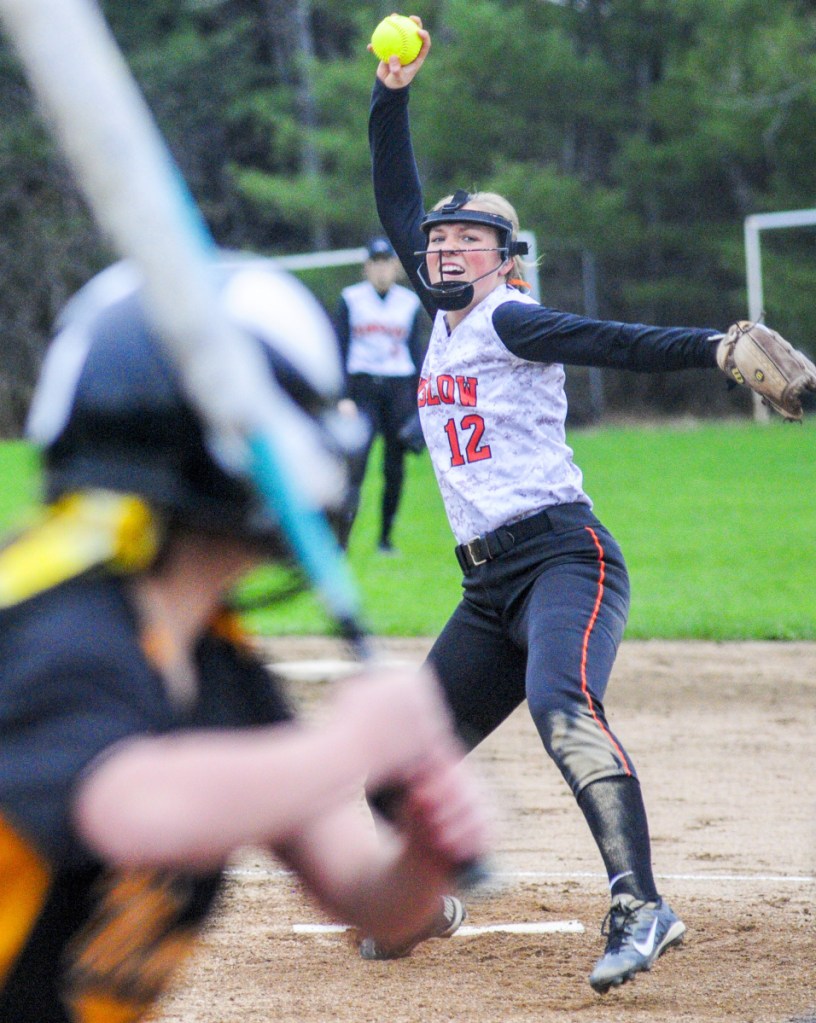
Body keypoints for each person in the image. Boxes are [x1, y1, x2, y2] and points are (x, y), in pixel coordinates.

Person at [365, 19, 816, 994]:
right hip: (485, 587)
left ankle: (642, 905)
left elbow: (612, 339)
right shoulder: (437, 315)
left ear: (505, 259)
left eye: (468, 240)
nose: (445, 248)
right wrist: (390, 97)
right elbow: (397, 198)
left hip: (567, 559)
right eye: (437, 240)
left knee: (560, 704)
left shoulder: (510, 317)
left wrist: (712, 349)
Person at [0, 255, 490, 1021]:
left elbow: (372, 898)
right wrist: (349, 743)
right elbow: (130, 803)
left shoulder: (211, 656)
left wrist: (425, 854)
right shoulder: (54, 619)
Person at [335, 236, 426, 553]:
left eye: (387, 262)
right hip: (362, 391)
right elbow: (339, 348)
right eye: (375, 263)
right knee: (354, 466)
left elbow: (417, 353)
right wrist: (342, 395)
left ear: (396, 267)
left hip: (398, 390)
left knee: (394, 468)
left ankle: (385, 539)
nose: (381, 269)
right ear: (366, 267)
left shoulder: (410, 302)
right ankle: (341, 539)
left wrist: (418, 403)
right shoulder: (351, 299)